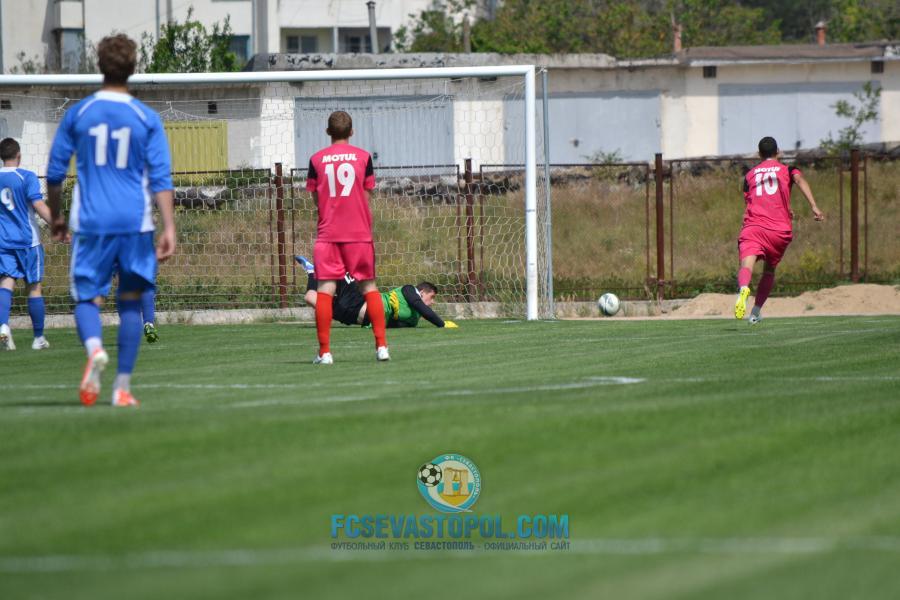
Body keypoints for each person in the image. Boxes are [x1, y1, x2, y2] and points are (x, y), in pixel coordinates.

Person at [46, 34, 176, 407]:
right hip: (136, 224)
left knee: (88, 298)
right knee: (131, 302)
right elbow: (161, 178)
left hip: (92, 223)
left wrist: (56, 217)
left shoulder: (79, 113)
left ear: (99, 65)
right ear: (133, 68)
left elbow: (54, 173)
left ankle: (95, 349)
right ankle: (122, 388)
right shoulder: (146, 118)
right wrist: (169, 226)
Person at [305, 111, 388, 364]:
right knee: (369, 287)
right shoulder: (363, 157)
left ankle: (325, 352)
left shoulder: (316, 159)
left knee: (325, 290)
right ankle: (382, 347)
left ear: (328, 132)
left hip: (329, 233)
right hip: (359, 233)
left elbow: (315, 198)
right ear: (352, 132)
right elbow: (367, 192)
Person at [735, 136, 824, 324]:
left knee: (746, 265)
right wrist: (814, 206)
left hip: (753, 227)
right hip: (778, 230)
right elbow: (799, 180)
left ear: (759, 154)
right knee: (769, 270)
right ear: (778, 152)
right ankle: (755, 312)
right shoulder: (788, 170)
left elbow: (751, 201)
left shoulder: (749, 175)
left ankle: (743, 289)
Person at [296, 255, 458, 329]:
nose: (432, 302)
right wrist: (442, 324)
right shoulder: (409, 290)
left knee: (311, 298)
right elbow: (420, 306)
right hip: (359, 303)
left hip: (353, 316)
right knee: (341, 269)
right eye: (432, 297)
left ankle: (312, 272)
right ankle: (317, 265)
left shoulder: (413, 320)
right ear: (421, 291)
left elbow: (390, 324)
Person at [0, 138, 51, 350]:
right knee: (34, 288)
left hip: (3, 242)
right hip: (28, 241)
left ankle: (3, 326)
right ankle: (38, 338)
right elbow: (38, 204)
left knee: (5, 284)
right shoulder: (27, 176)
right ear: (19, 155)